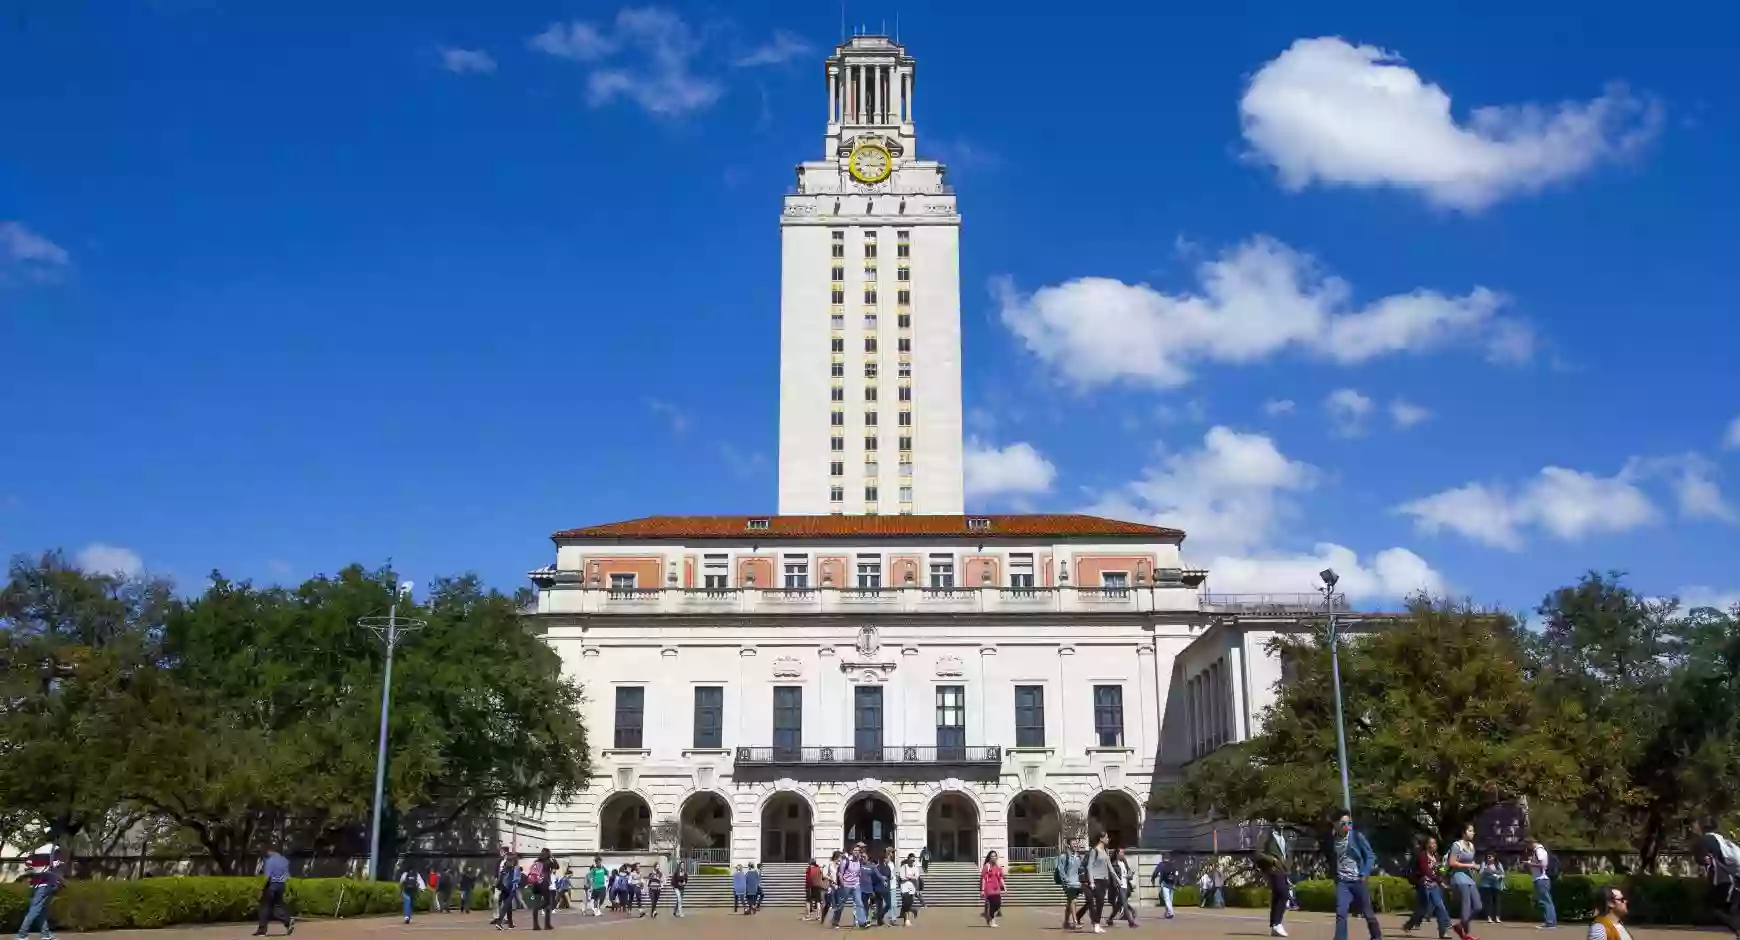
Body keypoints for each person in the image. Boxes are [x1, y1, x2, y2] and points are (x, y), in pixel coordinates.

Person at [1331, 808, 1383, 940]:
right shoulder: (1331, 840)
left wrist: (1364, 873)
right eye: (1343, 824)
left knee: (1368, 913)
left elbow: (1370, 856)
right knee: (1341, 913)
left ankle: (1376, 936)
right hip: (1343, 882)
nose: (1346, 826)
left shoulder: (1356, 837)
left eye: (1349, 823)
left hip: (1358, 880)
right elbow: (1331, 858)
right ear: (1335, 824)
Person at [1694, 819, 1740, 939]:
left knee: (1714, 907)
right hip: (1735, 877)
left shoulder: (1705, 840)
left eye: (1695, 823)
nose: (1694, 827)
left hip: (1736, 877)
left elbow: (1705, 860)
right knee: (1732, 909)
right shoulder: (1721, 839)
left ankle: (1737, 927)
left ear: (1701, 826)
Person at [1402, 836, 1451, 939]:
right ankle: (1410, 924)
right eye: (1431, 843)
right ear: (1426, 845)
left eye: (1435, 843)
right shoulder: (1422, 856)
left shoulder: (1436, 856)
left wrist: (1443, 869)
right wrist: (1440, 881)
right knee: (1423, 909)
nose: (1434, 845)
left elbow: (1439, 869)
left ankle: (1443, 931)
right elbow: (1425, 871)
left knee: (1439, 906)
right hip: (1424, 885)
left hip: (1433, 885)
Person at [16, 844, 63, 940]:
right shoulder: (53, 850)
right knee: (34, 910)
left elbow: (27, 866)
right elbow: (54, 866)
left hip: (34, 884)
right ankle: (22, 934)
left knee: (41, 910)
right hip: (45, 884)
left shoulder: (35, 852)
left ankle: (45, 934)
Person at [1255, 827, 1293, 937]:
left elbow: (1288, 853)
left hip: (1283, 869)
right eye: (1279, 820)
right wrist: (1272, 860)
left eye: (1283, 821)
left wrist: (1288, 866)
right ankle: (1277, 922)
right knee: (1283, 893)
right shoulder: (1266, 835)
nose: (1281, 823)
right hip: (1273, 869)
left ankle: (1274, 925)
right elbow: (1258, 853)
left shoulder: (1285, 836)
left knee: (1277, 896)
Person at [1447, 824, 1482, 939]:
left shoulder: (1471, 846)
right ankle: (1466, 935)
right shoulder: (1457, 845)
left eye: (1473, 831)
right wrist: (1469, 865)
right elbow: (1451, 863)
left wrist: (1475, 867)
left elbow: (1471, 862)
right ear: (1463, 832)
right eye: (1470, 831)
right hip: (1459, 877)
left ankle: (1460, 925)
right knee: (1466, 905)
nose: (1473, 833)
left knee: (1478, 906)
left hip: (1469, 878)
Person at [254, 845, 296, 937]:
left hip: (271, 885)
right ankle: (287, 921)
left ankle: (262, 930)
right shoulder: (284, 860)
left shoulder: (270, 861)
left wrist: (261, 889)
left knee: (265, 907)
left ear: (269, 851)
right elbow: (287, 876)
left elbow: (267, 876)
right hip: (281, 885)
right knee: (276, 906)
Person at [1525, 837, 1558, 930]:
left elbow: (1543, 864)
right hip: (1539, 878)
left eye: (1527, 844)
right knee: (1544, 901)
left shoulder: (1539, 851)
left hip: (1541, 879)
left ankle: (1550, 923)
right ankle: (1549, 921)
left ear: (1531, 843)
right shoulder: (1538, 850)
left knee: (1546, 901)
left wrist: (1530, 864)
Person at [1056, 838, 1085, 930]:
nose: (1076, 845)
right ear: (1068, 845)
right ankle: (1075, 922)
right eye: (1074, 843)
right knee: (1073, 900)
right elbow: (1061, 871)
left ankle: (1066, 922)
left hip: (1076, 883)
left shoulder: (1078, 857)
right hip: (1068, 883)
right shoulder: (1063, 857)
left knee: (1070, 902)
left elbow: (1080, 870)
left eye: (1077, 843)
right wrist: (1066, 881)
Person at [1107, 848, 1137, 928]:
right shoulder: (1113, 864)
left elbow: (1129, 872)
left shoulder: (1124, 862)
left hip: (1126, 886)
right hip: (1119, 887)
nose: (1123, 854)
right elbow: (1112, 877)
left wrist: (1130, 875)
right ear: (1117, 854)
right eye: (1121, 852)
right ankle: (1131, 922)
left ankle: (1110, 919)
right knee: (1124, 904)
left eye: (1123, 852)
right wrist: (1114, 886)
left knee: (1118, 906)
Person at [528, 849, 556, 930]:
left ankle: (535, 925)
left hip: (536, 884)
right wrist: (553, 858)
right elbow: (557, 867)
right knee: (547, 903)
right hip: (544, 884)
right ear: (548, 854)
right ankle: (547, 924)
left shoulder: (537, 861)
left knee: (536, 904)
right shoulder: (548, 862)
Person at [493, 854, 521, 930]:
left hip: (504, 888)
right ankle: (499, 922)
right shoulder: (515, 869)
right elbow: (517, 880)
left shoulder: (505, 868)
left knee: (508, 906)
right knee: (506, 905)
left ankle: (510, 923)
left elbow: (500, 878)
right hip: (511, 888)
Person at [1478, 855, 1506, 925]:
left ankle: (1497, 917)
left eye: (1491, 856)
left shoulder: (1498, 864)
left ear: (1494, 857)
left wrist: (1499, 876)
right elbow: (1480, 874)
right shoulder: (1484, 864)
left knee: (1497, 901)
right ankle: (1489, 917)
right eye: (1488, 857)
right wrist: (1484, 870)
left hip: (1496, 884)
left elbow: (1503, 874)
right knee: (1489, 901)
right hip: (1487, 884)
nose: (1489, 858)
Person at [982, 850, 1005, 928]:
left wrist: (1004, 886)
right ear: (989, 857)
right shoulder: (987, 866)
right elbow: (983, 878)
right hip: (989, 888)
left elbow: (1001, 877)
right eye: (992, 856)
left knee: (998, 904)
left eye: (995, 856)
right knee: (992, 905)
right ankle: (992, 921)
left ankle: (988, 916)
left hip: (997, 888)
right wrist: (982, 890)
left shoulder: (998, 866)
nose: (994, 857)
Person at [1150, 854, 1178, 920]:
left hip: (1164, 883)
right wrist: (1175, 883)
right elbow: (1176, 874)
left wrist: (1153, 879)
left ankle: (1170, 912)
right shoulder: (1173, 865)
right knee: (1170, 899)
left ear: (1163, 858)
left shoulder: (1161, 864)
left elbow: (1155, 872)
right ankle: (1168, 913)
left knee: (1166, 898)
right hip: (1171, 884)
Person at [899, 854, 922, 926]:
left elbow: (917, 878)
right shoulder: (904, 867)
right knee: (905, 904)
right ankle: (908, 917)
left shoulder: (915, 868)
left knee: (909, 903)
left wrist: (917, 889)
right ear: (908, 859)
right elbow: (902, 877)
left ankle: (907, 919)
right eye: (911, 860)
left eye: (913, 860)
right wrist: (911, 878)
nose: (912, 861)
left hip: (912, 888)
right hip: (904, 887)